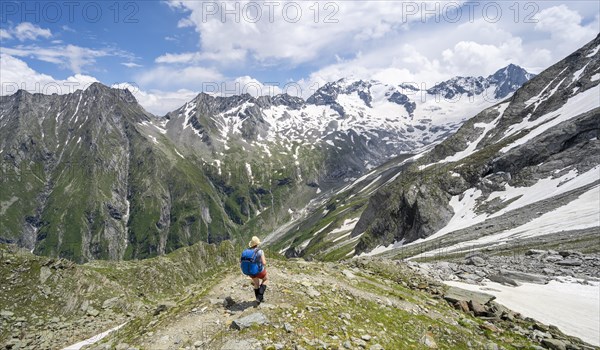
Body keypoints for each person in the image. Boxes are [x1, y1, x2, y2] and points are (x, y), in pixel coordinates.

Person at [243, 236, 268, 303]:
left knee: (256, 284)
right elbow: (264, 263)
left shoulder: (246, 251)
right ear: (257, 244)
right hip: (259, 271)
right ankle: (259, 297)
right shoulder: (260, 251)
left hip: (250, 271)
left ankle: (258, 298)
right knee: (265, 279)